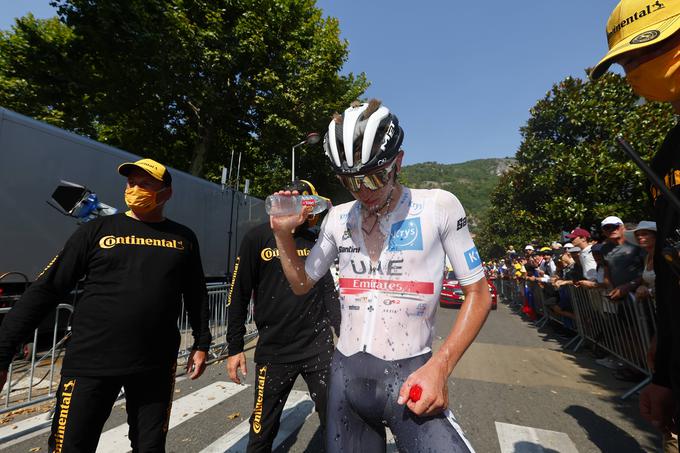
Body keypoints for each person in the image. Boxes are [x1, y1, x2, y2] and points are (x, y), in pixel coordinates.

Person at [269, 100, 491, 452]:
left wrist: (441, 367)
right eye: (350, 181)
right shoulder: (338, 217)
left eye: (374, 176)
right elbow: (301, 283)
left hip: (410, 375)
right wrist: (282, 235)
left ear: (398, 162)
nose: (363, 191)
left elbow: (479, 294)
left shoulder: (437, 206)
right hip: (346, 378)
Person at [0, 158, 211, 452]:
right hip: (91, 363)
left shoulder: (183, 238)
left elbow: (196, 293)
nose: (135, 189)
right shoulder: (95, 231)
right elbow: (47, 289)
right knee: (70, 447)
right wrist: (3, 352)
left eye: (146, 184)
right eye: (132, 183)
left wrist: (202, 342)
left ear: (166, 193)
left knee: (150, 447)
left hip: (155, 365)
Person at [591, 2, 680, 441]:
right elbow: (669, 270)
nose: (631, 71)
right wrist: (664, 371)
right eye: (622, 62)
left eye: (637, 53)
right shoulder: (664, 159)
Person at [226, 179, 339, 453]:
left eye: (305, 203)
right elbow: (237, 293)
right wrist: (235, 347)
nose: (299, 209)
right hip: (274, 350)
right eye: (292, 201)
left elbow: (328, 293)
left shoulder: (318, 239)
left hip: (318, 349)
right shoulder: (256, 237)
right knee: (261, 432)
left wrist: (347, 338)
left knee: (337, 424)